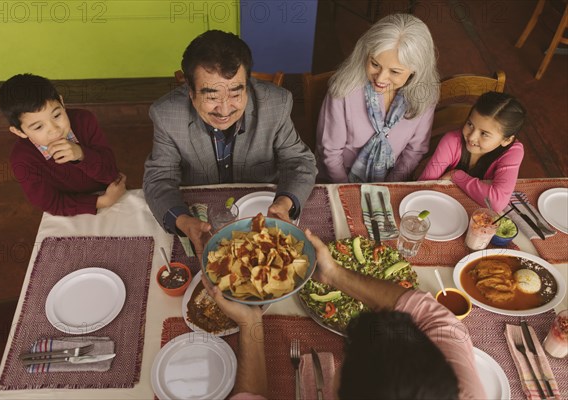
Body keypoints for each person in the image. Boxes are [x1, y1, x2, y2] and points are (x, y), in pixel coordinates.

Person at [204, 230, 487, 399]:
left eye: (345, 363)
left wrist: (250, 322)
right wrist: (334, 274)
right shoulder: (463, 390)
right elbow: (439, 320)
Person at [143, 30, 316, 253]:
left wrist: (284, 203)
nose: (225, 110)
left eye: (236, 94)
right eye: (212, 97)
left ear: (248, 84)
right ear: (190, 90)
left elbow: (299, 161)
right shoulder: (166, 114)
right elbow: (158, 178)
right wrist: (184, 221)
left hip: (261, 213)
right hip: (205, 220)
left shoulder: (277, 103)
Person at [316, 13, 439, 183]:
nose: (380, 79)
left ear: (415, 71)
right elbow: (329, 152)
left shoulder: (425, 96)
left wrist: (388, 187)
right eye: (375, 64)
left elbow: (414, 151)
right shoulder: (343, 90)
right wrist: (347, 191)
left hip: (391, 182)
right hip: (340, 180)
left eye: (394, 72)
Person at [0, 73, 126, 216]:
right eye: (38, 127)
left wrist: (81, 155)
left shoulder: (84, 120)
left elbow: (111, 173)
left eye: (57, 115)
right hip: (74, 209)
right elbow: (50, 203)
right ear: (19, 131)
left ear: (62, 102)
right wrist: (102, 201)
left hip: (109, 191)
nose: (54, 130)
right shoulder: (22, 159)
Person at [418, 91, 526, 212]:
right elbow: (423, 186)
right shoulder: (452, 141)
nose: (471, 137)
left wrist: (456, 175)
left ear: (506, 140)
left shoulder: (512, 151)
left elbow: (496, 203)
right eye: (470, 124)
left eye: (484, 133)